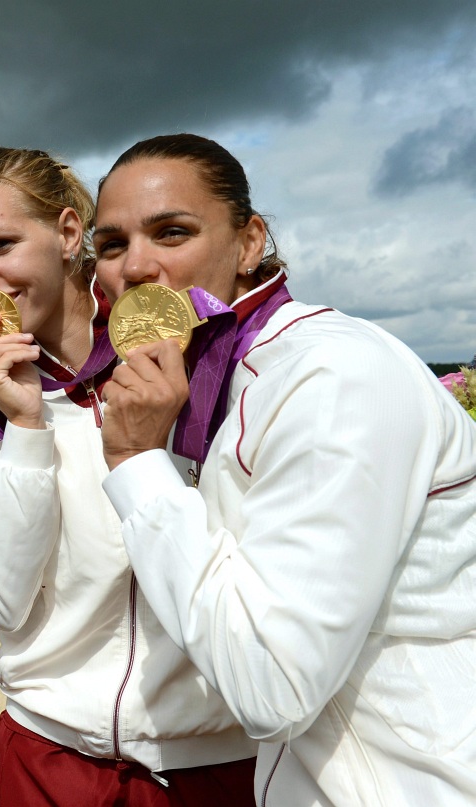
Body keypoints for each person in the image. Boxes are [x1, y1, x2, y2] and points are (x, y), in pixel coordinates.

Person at [93, 133, 476, 805]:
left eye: (172, 231)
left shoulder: (331, 377)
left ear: (249, 242)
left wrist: (137, 464)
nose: (136, 266)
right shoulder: (215, 382)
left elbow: (273, 684)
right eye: (113, 243)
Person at [0, 145, 257, 805]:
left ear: (66, 233)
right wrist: (25, 429)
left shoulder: (204, 353)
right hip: (44, 754)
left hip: (212, 760)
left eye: (0, 243)